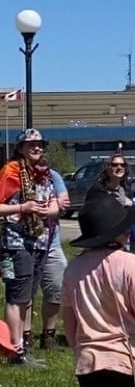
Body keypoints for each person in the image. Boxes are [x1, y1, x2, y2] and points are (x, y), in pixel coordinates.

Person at [62, 195, 135, 387]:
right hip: (128, 360)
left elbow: (69, 321)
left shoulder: (73, 268)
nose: (129, 232)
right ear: (116, 233)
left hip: (89, 363)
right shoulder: (131, 263)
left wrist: (78, 350)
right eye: (125, 228)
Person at [0, 129, 61, 367]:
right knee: (17, 297)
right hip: (15, 244)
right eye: (31, 144)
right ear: (21, 148)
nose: (37, 148)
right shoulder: (11, 171)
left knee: (27, 298)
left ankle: (21, 348)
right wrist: (23, 208)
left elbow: (56, 201)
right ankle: (15, 351)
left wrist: (50, 210)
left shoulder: (44, 174)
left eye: (40, 144)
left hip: (38, 241)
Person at [24, 157, 70, 351]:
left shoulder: (53, 176)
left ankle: (48, 336)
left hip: (52, 243)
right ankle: (24, 338)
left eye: (40, 147)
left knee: (56, 289)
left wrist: (45, 209)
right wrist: (50, 207)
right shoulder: (19, 176)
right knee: (25, 293)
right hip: (25, 244)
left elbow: (64, 203)